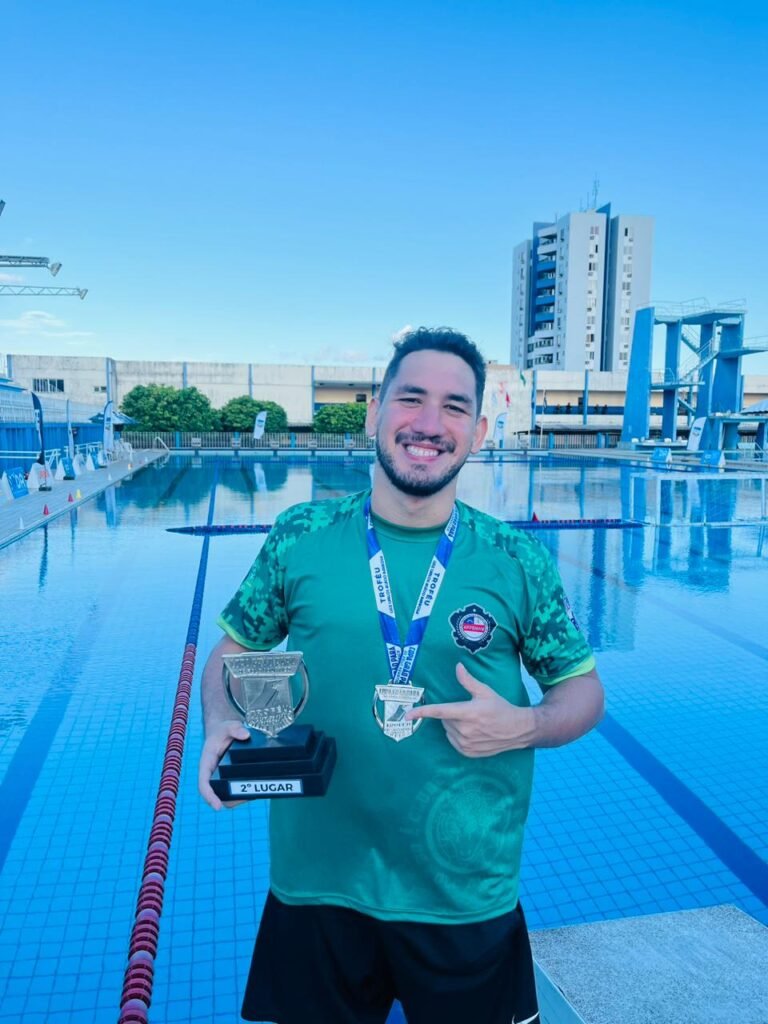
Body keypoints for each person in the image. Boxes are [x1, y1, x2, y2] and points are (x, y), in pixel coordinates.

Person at [198, 327, 604, 1024]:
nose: (428, 423)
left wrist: (525, 725)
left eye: (453, 407)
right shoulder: (300, 535)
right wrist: (222, 724)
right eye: (410, 399)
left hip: (463, 891)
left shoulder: (515, 557)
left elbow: (583, 691)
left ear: (476, 430)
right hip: (317, 887)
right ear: (374, 413)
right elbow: (234, 652)